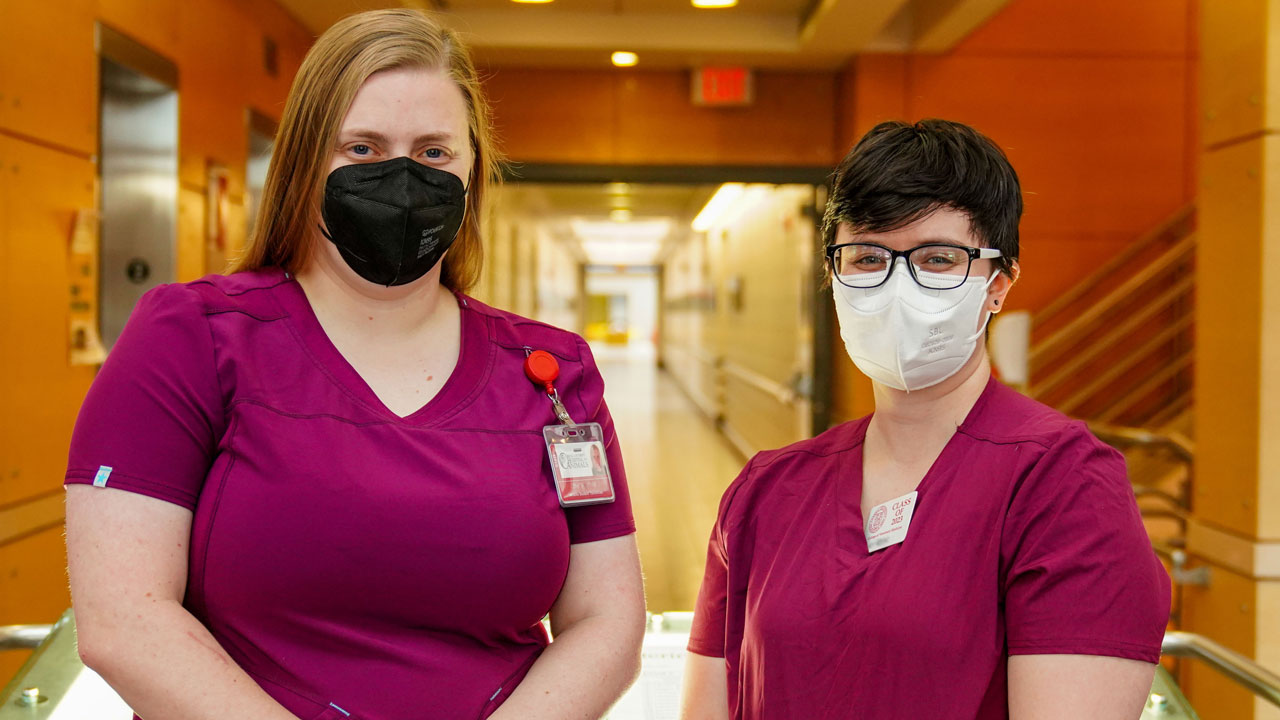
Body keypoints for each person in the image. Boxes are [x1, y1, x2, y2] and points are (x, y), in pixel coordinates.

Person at [64, 10, 644, 720]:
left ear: (473, 171)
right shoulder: (191, 337)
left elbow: (606, 622)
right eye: (362, 149)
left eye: (434, 153)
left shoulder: (552, 372)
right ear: (306, 161)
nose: (401, 179)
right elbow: (125, 618)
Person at [679, 119, 1170, 720]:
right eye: (866, 257)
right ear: (833, 275)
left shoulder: (1064, 486)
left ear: (999, 284)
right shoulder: (765, 490)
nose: (896, 286)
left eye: (938, 259)